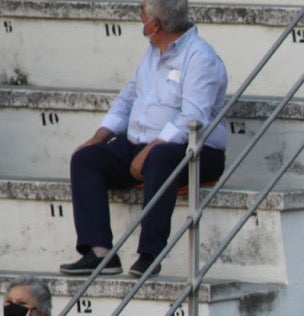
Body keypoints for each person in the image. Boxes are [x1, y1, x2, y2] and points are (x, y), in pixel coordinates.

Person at [60, 0, 228, 279]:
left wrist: (151, 148)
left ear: (155, 25)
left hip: (196, 150)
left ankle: (149, 254)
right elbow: (128, 97)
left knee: (161, 158)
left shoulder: (201, 57)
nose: (139, 16)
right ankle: (100, 253)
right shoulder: (152, 53)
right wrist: (100, 136)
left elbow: (193, 119)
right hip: (142, 144)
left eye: (142, 12)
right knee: (86, 159)